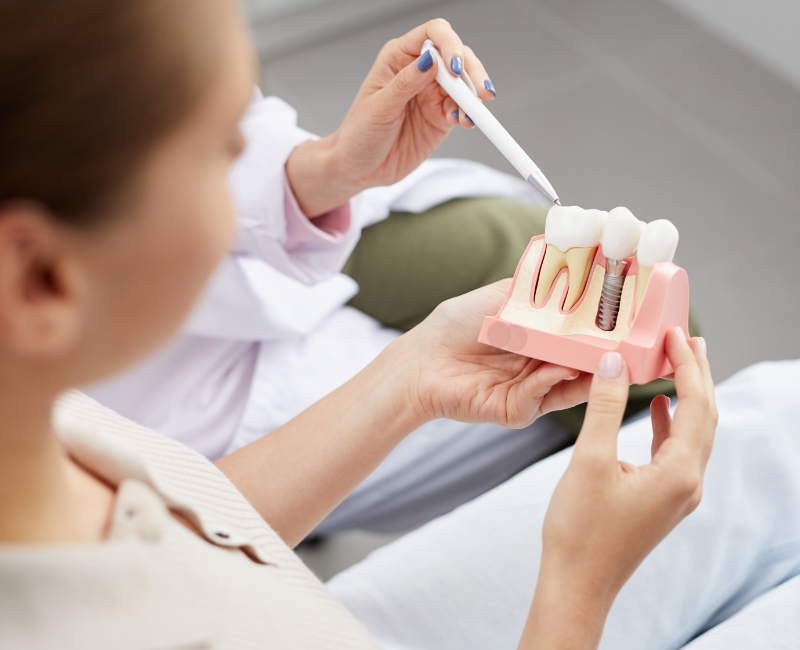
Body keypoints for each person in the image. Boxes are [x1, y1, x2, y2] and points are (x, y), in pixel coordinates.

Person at [0, 1, 719, 648]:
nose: (247, 161)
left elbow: (194, 526)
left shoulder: (57, 434)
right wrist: (576, 589)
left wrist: (409, 378)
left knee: (778, 419)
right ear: (43, 280)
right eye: (221, 149)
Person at [80, 5, 695, 534]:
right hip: (204, 416)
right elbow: (202, 541)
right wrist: (406, 385)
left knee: (558, 266)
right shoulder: (98, 502)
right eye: (218, 150)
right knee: (608, 389)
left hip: (259, 263)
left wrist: (328, 168)